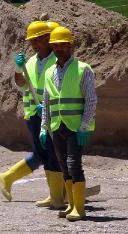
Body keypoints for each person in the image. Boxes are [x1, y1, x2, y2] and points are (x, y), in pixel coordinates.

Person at [0, 21, 64, 208]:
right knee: (47, 153)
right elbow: (20, 83)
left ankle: (57, 193)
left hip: (53, 113)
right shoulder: (31, 62)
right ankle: (57, 195)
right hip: (34, 115)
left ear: (47, 39)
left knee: (49, 153)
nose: (33, 44)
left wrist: (49, 106)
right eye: (31, 41)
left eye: (37, 40)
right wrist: (18, 69)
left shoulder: (57, 60)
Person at [40, 26, 96, 222]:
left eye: (63, 45)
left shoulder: (83, 69)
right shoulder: (49, 73)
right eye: (56, 46)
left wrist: (84, 126)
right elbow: (46, 102)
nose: (60, 48)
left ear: (70, 46)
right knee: (64, 167)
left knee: (74, 165)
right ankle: (71, 205)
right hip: (57, 127)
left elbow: (91, 100)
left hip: (75, 128)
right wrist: (43, 127)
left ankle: (79, 209)